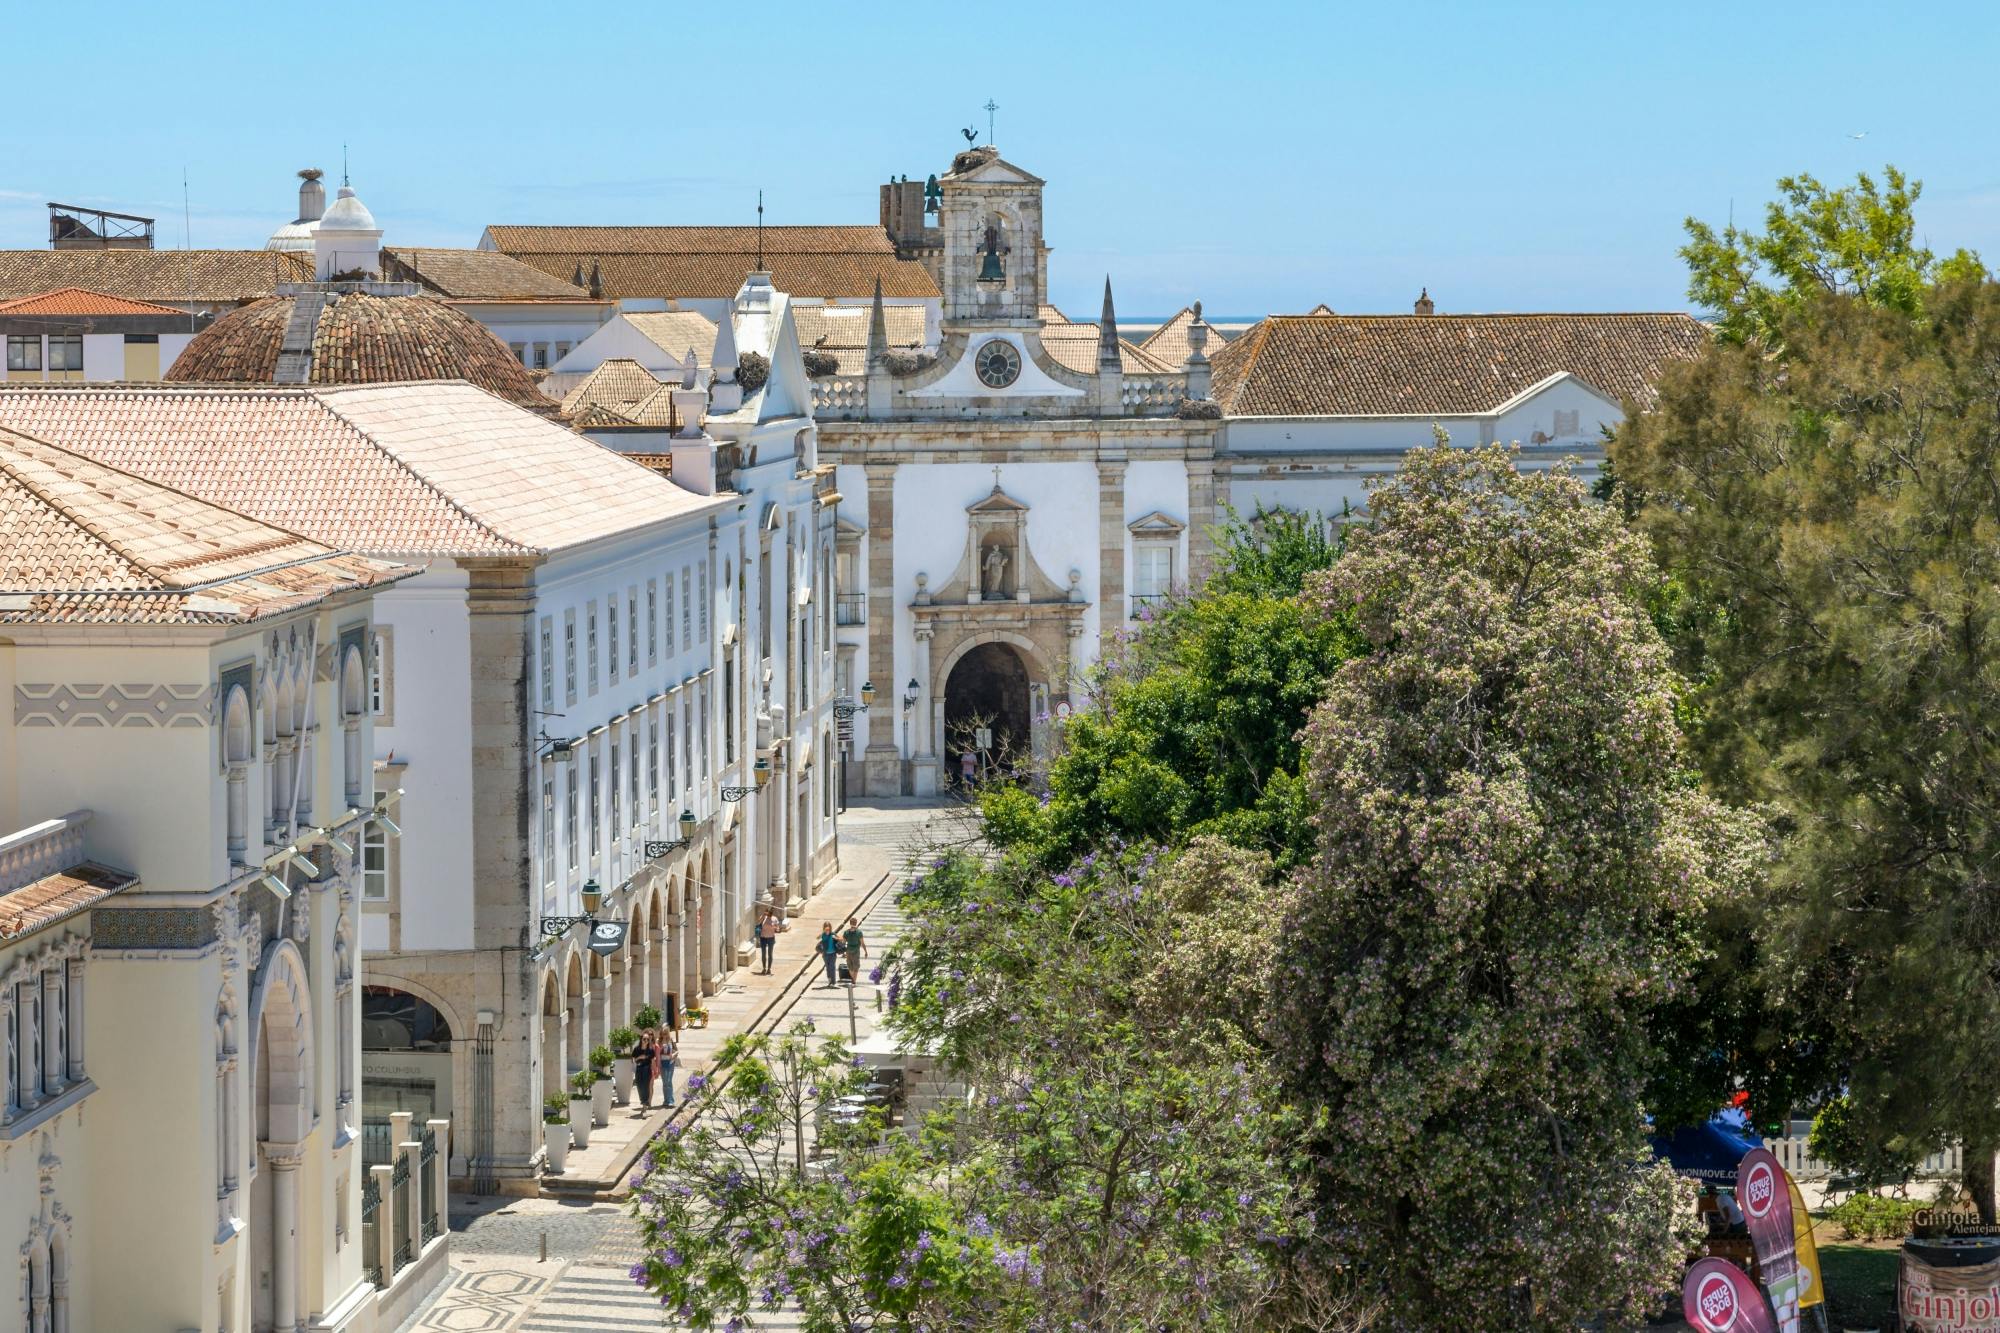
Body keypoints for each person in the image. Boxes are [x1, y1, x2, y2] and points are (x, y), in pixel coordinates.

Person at [633, 1029, 658, 1110]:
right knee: (640, 1086)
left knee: (646, 1086)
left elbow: (653, 1061)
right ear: (641, 1039)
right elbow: (633, 1060)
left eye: (647, 1039)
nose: (646, 1041)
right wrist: (639, 1057)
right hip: (639, 1069)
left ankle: (645, 1104)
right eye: (644, 1039)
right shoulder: (637, 1049)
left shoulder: (650, 1050)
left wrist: (655, 1071)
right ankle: (643, 1101)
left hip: (647, 1070)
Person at [842, 915, 867, 987]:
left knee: (850, 967)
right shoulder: (859, 932)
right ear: (856, 923)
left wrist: (843, 952)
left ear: (850, 923)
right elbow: (862, 943)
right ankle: (854, 981)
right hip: (856, 952)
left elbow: (843, 943)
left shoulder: (846, 932)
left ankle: (853, 980)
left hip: (848, 951)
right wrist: (865, 952)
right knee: (856, 967)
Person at [657, 1027, 678, 1108]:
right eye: (662, 1033)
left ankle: (671, 1101)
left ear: (668, 1033)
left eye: (665, 1033)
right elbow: (657, 1052)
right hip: (662, 1063)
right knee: (665, 1082)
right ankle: (666, 1100)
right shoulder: (658, 1041)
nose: (664, 1035)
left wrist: (673, 1055)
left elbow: (677, 1050)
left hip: (670, 1063)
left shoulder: (671, 1040)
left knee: (669, 1081)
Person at [818, 922, 841, 988]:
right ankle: (829, 980)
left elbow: (841, 939)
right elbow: (817, 938)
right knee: (828, 968)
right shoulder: (823, 935)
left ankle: (833, 982)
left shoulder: (833, 934)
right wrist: (822, 933)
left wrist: (836, 938)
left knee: (832, 967)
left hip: (833, 954)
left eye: (828, 928)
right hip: (825, 954)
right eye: (826, 927)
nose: (827, 929)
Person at [757, 908, 780, 975]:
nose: (769, 915)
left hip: (771, 938)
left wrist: (775, 928)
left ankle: (769, 969)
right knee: (763, 954)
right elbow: (758, 922)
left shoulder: (774, 919)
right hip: (763, 938)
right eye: (768, 913)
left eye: (770, 913)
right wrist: (763, 915)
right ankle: (764, 968)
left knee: (770, 954)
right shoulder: (764, 918)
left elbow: (777, 928)